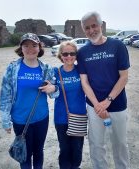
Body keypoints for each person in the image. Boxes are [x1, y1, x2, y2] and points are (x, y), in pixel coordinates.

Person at [77, 11, 131, 169]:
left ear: (100, 25)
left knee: (120, 144)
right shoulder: (82, 52)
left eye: (94, 25)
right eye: (87, 28)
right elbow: (84, 82)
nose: (91, 30)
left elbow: (124, 77)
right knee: (96, 145)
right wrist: (97, 105)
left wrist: (107, 102)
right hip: (94, 108)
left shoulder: (118, 46)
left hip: (117, 105)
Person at [0, 33, 59, 169]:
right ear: (21, 48)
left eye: (34, 45)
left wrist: (53, 88)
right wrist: (5, 120)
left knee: (38, 151)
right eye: (26, 45)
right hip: (20, 120)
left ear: (39, 47)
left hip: (41, 119)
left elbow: (55, 93)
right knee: (24, 155)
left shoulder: (46, 69)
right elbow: (5, 95)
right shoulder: (13, 68)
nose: (30, 48)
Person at [53, 41, 87, 169]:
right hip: (61, 118)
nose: (69, 56)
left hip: (79, 116)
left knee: (77, 149)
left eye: (72, 53)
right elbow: (50, 91)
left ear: (76, 55)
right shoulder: (55, 72)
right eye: (65, 54)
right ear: (60, 55)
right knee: (65, 150)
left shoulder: (81, 71)